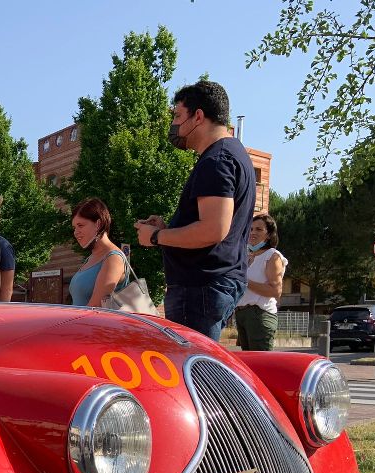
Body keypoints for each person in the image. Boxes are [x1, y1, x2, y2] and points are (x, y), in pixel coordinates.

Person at [134, 80, 256, 341]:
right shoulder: (233, 154)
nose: (174, 125)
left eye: (178, 115)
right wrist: (168, 229)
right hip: (212, 286)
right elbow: (215, 225)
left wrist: (155, 237)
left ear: (198, 116)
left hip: (200, 288)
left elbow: (213, 229)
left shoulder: (217, 160)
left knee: (195, 375)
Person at [234, 213, 287, 351]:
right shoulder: (246, 257)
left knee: (260, 365)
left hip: (259, 315)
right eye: (251, 229)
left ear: (269, 235)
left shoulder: (272, 256)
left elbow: (276, 291)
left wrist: (244, 281)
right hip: (242, 315)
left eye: (259, 229)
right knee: (248, 365)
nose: (252, 233)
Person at [69, 198, 129, 307]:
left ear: (98, 224)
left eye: (80, 225)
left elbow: (95, 307)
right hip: (81, 323)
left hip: (95, 323)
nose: (75, 232)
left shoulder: (113, 258)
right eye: (74, 227)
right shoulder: (91, 258)